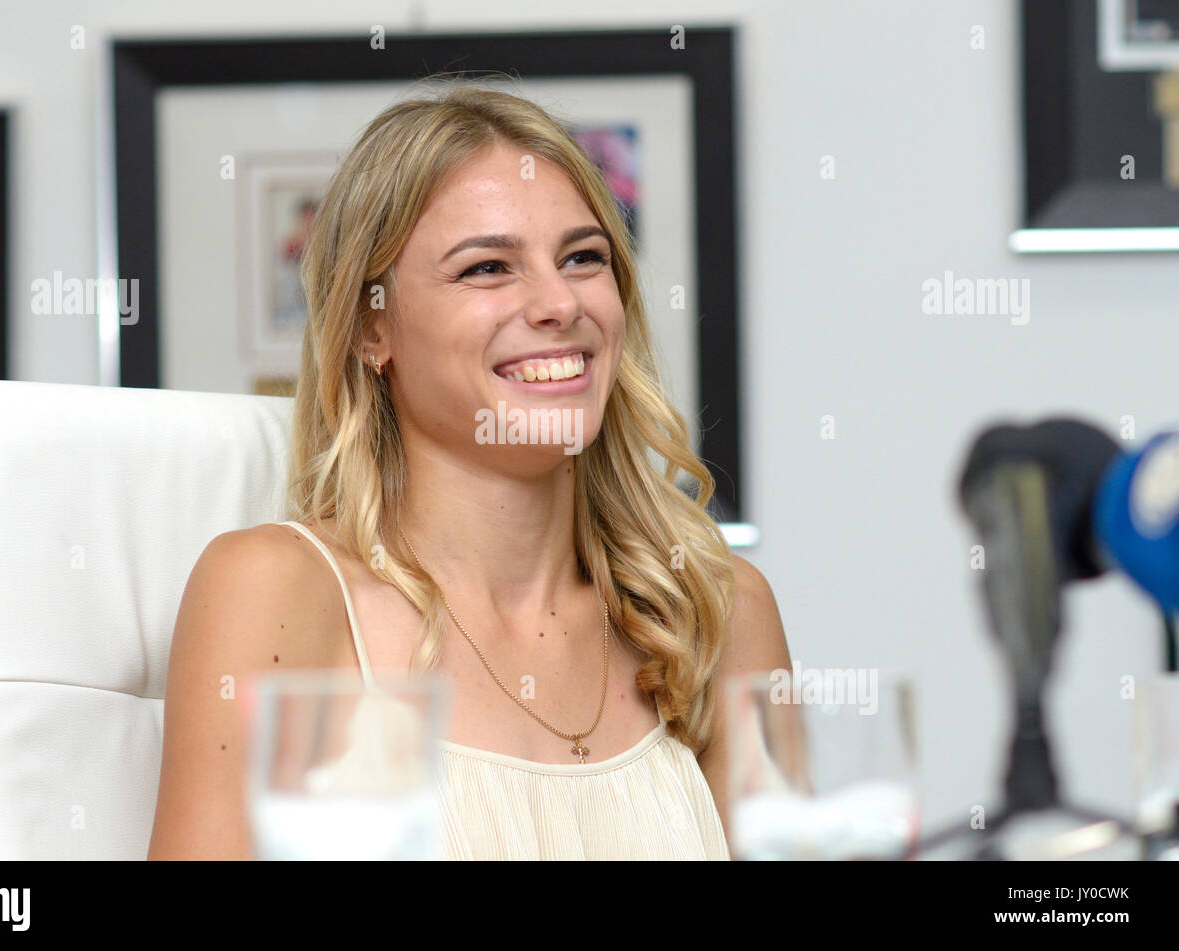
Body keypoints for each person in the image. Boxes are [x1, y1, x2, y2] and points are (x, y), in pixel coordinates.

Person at [147, 77, 790, 860]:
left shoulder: (714, 608)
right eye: (487, 268)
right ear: (370, 327)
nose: (560, 303)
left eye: (584, 257)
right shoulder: (273, 589)